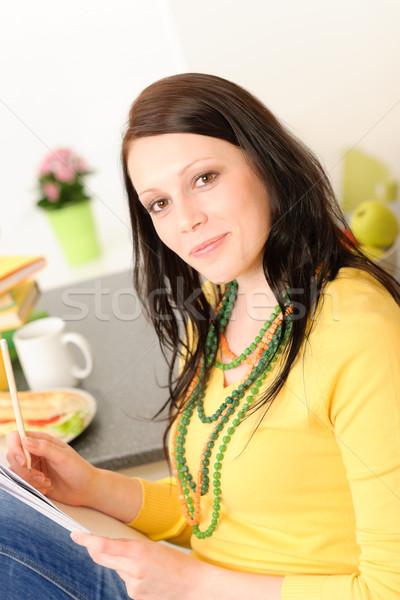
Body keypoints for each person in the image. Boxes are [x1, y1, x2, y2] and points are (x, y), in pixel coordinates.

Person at [2, 72, 400, 600]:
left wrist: (191, 583)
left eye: (204, 178)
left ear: (267, 163)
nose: (185, 219)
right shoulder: (220, 301)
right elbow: (216, 512)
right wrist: (93, 487)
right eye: (159, 203)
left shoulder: (359, 331)